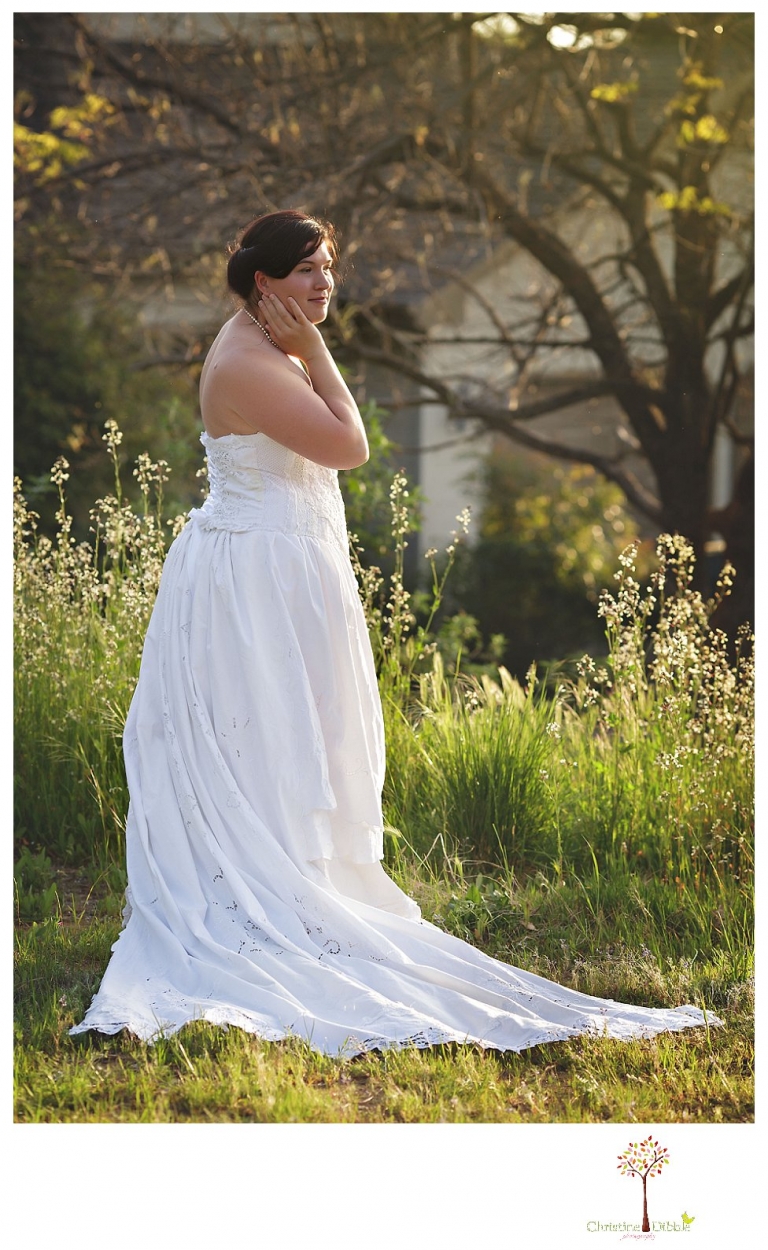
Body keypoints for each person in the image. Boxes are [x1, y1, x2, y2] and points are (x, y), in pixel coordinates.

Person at [71, 210, 719, 1055]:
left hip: (282, 565)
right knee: (262, 737)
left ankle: (302, 874)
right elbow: (349, 446)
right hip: (252, 580)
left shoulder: (269, 346)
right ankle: (264, 896)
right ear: (264, 283)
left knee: (294, 737)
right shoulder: (249, 359)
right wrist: (323, 355)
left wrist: (307, 348)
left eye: (329, 266)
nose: (324, 283)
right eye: (306, 269)